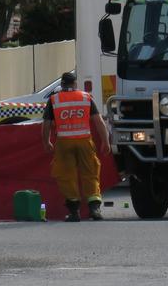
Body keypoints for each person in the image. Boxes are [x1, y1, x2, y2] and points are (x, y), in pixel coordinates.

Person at [41, 72, 111, 222]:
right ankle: (95, 209)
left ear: (62, 84)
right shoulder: (85, 98)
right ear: (74, 84)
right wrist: (106, 141)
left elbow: (46, 124)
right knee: (90, 172)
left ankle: (74, 212)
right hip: (84, 141)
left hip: (64, 142)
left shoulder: (54, 100)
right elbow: (99, 122)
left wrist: (46, 141)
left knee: (67, 176)